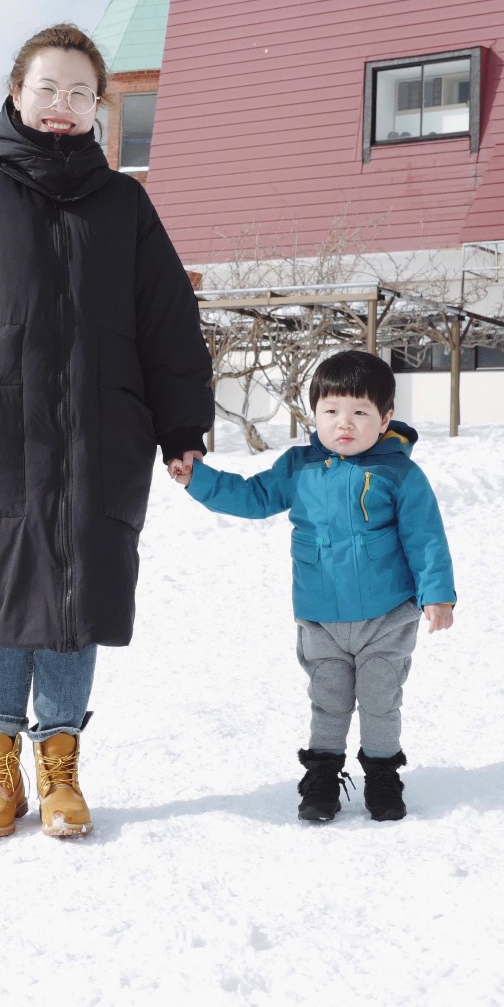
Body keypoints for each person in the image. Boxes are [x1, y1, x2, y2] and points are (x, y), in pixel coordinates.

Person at [0, 23, 213, 841]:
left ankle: (60, 767)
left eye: (78, 93)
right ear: (15, 92)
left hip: (101, 434)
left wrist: (180, 424)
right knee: (2, 595)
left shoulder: (126, 205)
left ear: (97, 106)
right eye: (47, 89)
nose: (61, 106)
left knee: (77, 596)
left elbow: (168, 321)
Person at [167, 350, 454, 824]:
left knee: (381, 700)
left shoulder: (399, 473)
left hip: (386, 615)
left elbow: (425, 537)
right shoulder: (299, 468)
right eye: (332, 411)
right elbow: (253, 497)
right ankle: (322, 775)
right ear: (314, 414)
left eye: (361, 412)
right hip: (320, 616)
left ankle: (383, 775)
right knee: (329, 700)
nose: (345, 423)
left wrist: (437, 594)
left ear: (385, 419)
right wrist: (199, 479)